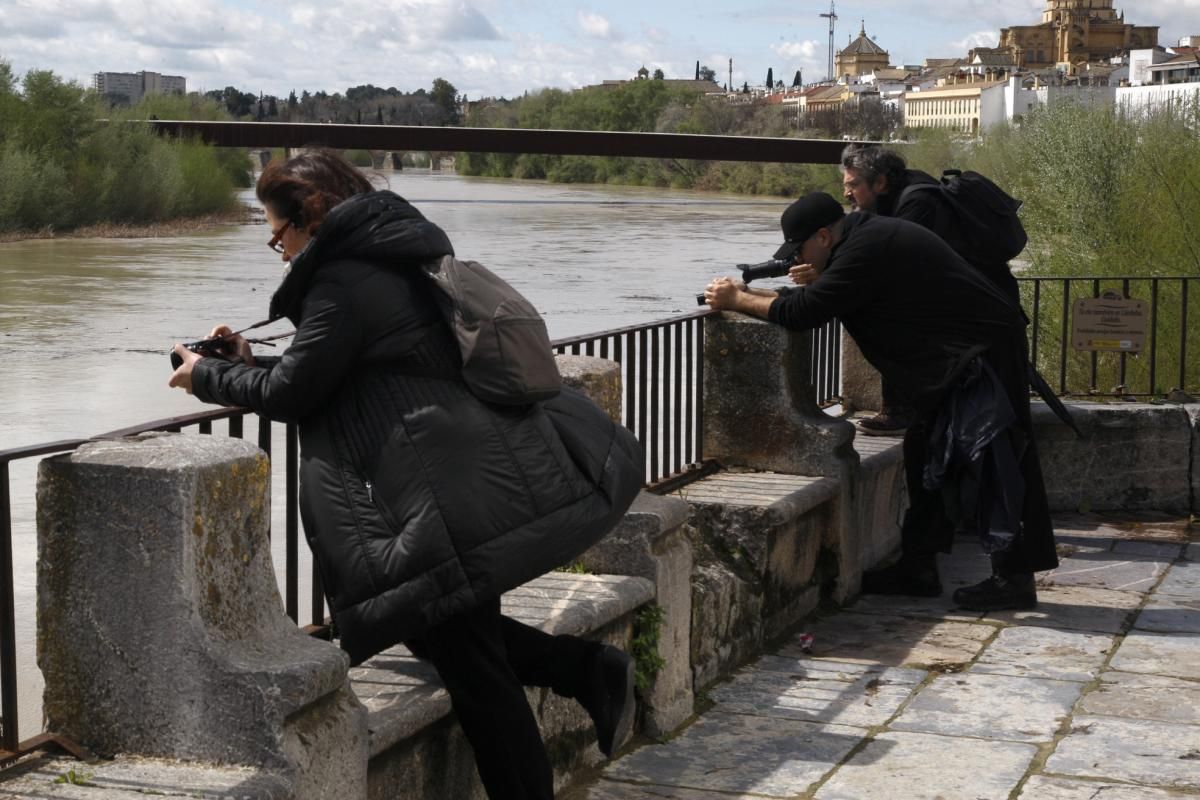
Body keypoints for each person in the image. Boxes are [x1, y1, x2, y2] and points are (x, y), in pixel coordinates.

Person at [168, 149, 639, 800]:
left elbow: (296, 394)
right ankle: (587, 669)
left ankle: (585, 676)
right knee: (426, 628)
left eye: (278, 233)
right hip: (455, 472)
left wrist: (206, 374)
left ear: (311, 214)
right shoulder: (388, 252)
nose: (276, 249)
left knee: (473, 671)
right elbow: (348, 364)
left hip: (440, 489)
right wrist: (249, 359)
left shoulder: (342, 279)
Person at [701, 192, 1057, 611]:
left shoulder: (865, 248)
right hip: (959, 359)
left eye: (800, 250)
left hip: (983, 357)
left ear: (822, 237)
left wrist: (736, 300)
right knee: (924, 455)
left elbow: (804, 313)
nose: (797, 258)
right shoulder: (862, 237)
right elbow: (807, 301)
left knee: (998, 463)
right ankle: (918, 569)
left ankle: (1015, 579)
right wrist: (763, 293)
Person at [838, 144, 1023, 439]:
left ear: (881, 182)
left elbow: (890, 269)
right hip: (985, 307)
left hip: (985, 313)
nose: (847, 193)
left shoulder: (917, 203)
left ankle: (901, 412)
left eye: (853, 185)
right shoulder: (906, 192)